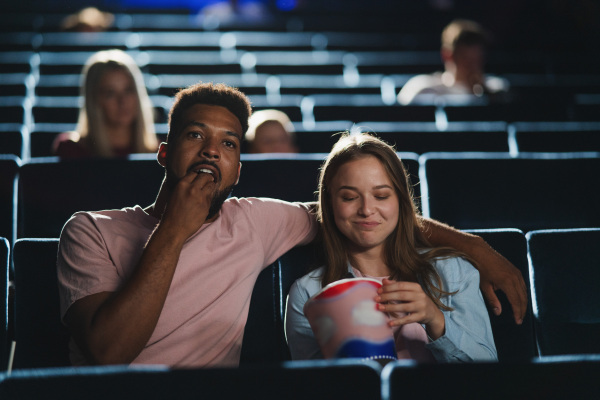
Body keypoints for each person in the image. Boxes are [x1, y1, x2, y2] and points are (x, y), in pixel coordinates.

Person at [57, 82, 525, 368]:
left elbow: (360, 214)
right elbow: (107, 354)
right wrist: (175, 229)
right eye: (195, 135)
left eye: (229, 143)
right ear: (164, 152)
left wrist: (476, 248)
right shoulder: (89, 230)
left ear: (239, 168)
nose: (211, 151)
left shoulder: (255, 220)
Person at [285, 133, 497, 362]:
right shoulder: (307, 293)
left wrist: (436, 321)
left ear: (400, 200)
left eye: (381, 195)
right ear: (330, 203)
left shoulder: (453, 270)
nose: (366, 209)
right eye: (349, 197)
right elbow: (311, 387)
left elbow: (487, 372)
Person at [52, 49, 159, 159]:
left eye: (128, 90)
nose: (122, 101)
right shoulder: (72, 151)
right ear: (94, 100)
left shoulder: (158, 153)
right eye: (110, 93)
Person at [397, 19, 509, 105]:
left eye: (478, 59)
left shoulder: (496, 88)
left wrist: (486, 93)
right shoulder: (423, 89)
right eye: (466, 60)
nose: (473, 67)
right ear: (447, 55)